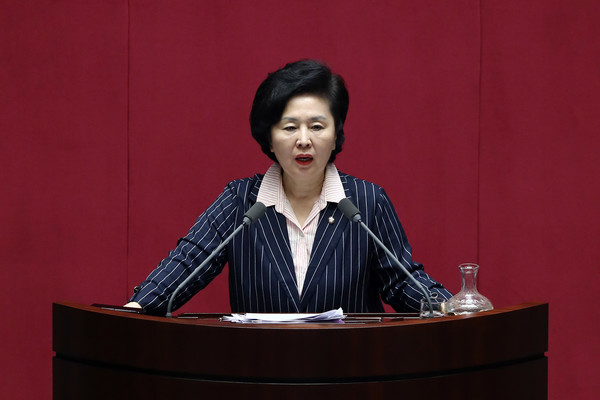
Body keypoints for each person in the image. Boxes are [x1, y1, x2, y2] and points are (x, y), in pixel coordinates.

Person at [126, 59, 451, 315]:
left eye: (317, 126)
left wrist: (449, 306)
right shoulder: (240, 200)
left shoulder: (367, 202)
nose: (304, 140)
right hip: (263, 369)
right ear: (269, 138)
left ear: (336, 135)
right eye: (290, 127)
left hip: (349, 368)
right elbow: (189, 261)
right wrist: (137, 308)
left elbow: (402, 280)